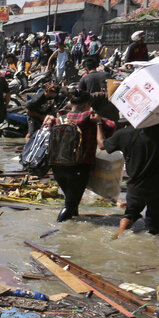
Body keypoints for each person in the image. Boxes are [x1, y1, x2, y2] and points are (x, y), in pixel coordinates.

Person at [46, 91, 114, 222]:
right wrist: (98, 122)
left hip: (57, 166)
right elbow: (112, 127)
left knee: (72, 200)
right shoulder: (90, 116)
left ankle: (74, 228)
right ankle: (59, 231)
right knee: (70, 204)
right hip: (79, 167)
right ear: (86, 104)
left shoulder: (58, 118)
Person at [103, 124, 159, 237]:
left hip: (135, 184)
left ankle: (119, 236)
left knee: (130, 214)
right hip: (158, 186)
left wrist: (98, 124)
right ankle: (151, 246)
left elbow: (103, 145)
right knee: (153, 226)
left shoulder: (124, 133)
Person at [78, 56, 120, 122]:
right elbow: (116, 89)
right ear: (96, 67)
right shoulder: (107, 75)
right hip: (111, 110)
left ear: (86, 69)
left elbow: (79, 97)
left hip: (95, 113)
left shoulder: (84, 79)